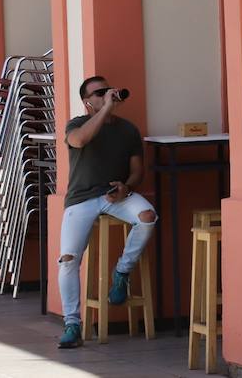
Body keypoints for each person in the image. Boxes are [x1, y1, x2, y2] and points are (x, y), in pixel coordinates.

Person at [56, 75, 157, 349]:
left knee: (148, 216)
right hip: (82, 198)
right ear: (87, 102)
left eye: (107, 90)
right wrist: (105, 111)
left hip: (115, 195)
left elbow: (138, 171)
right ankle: (72, 323)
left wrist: (127, 186)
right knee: (67, 260)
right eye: (98, 93)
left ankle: (122, 272)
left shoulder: (128, 130)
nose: (106, 95)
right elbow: (79, 141)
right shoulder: (77, 124)